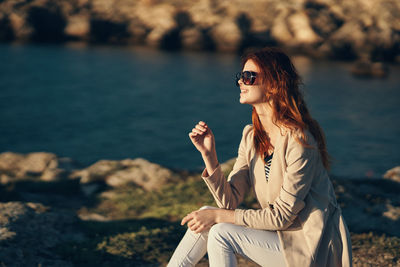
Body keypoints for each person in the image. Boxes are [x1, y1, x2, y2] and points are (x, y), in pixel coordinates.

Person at [167, 47, 352, 267]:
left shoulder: (299, 141)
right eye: (240, 77)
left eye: (249, 77)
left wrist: (219, 217)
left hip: (312, 248)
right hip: (282, 238)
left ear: (274, 85)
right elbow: (229, 202)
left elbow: (282, 216)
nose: (241, 83)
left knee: (221, 231)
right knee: (209, 215)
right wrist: (209, 156)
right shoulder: (252, 136)